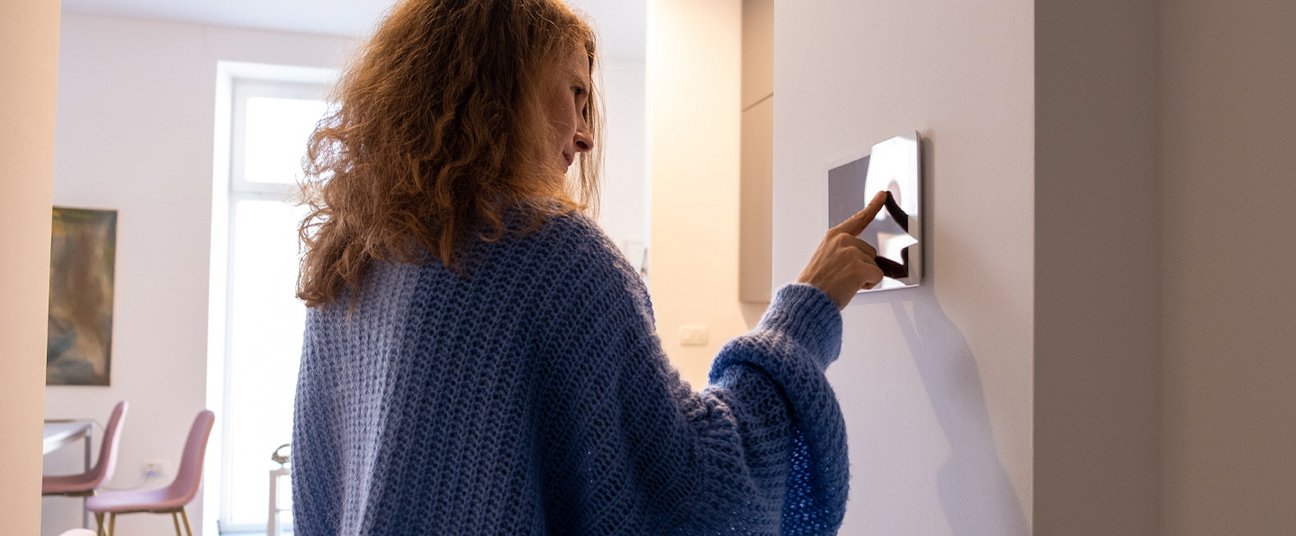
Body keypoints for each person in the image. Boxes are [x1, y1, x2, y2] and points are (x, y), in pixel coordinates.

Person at [291, 1, 887, 534]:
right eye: (573, 94)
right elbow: (693, 494)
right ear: (498, 88)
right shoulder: (552, 255)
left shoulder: (352, 262)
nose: (584, 137)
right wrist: (803, 314)